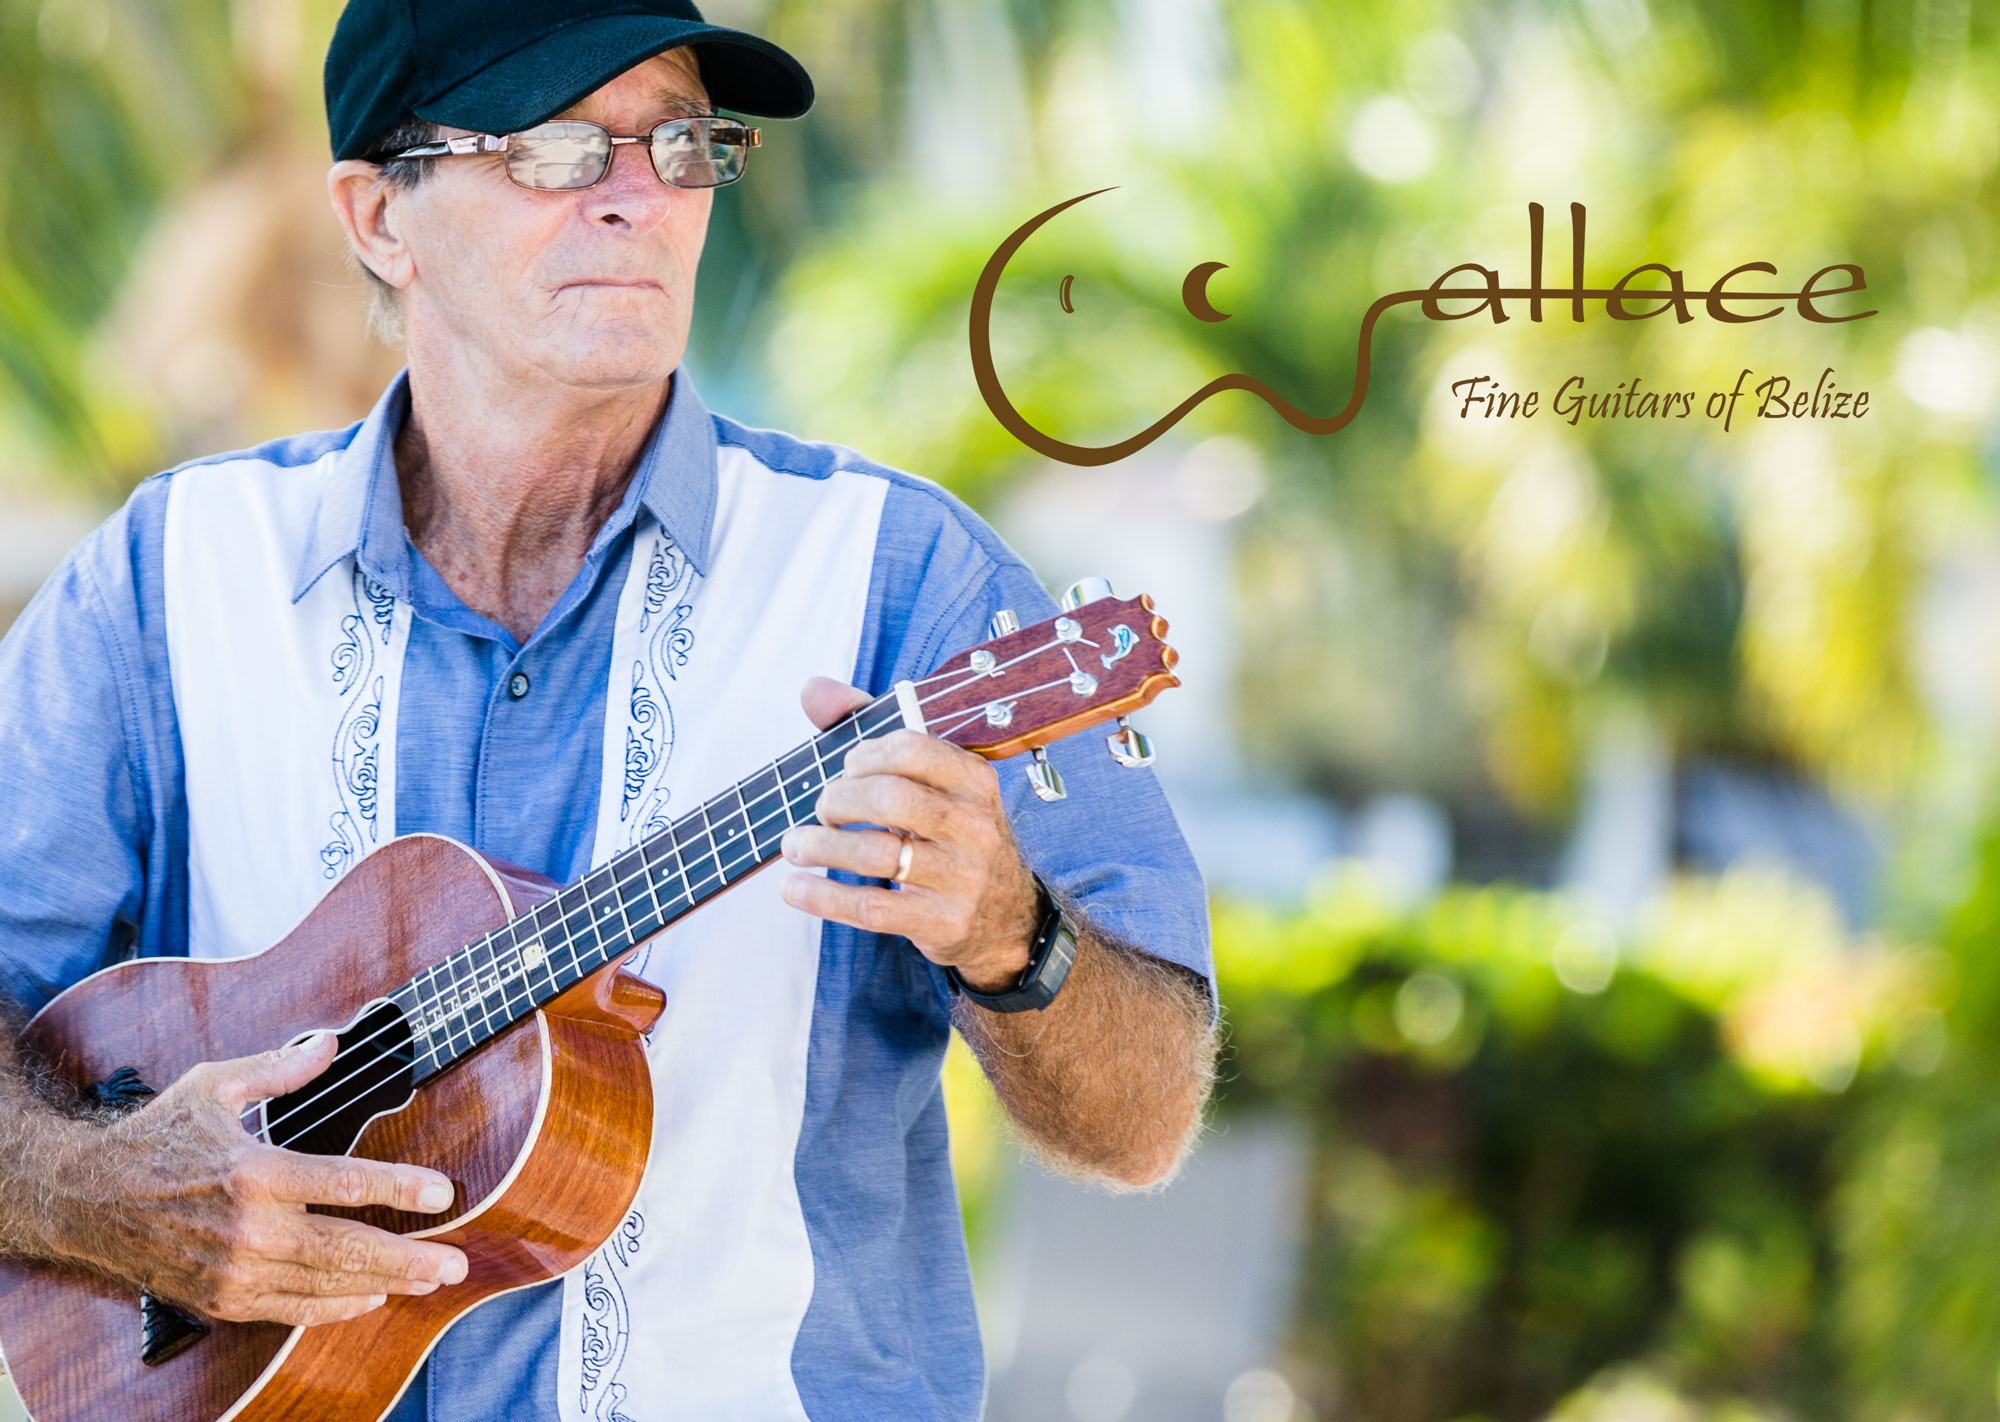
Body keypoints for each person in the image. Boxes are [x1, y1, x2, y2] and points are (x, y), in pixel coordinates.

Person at [0, 2, 1215, 1419]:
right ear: (376, 217)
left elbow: (1145, 1122)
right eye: (562, 147)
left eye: (683, 142)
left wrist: (1015, 934)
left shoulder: (906, 585)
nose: (642, 195)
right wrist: (91, 1186)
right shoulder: (163, 584)